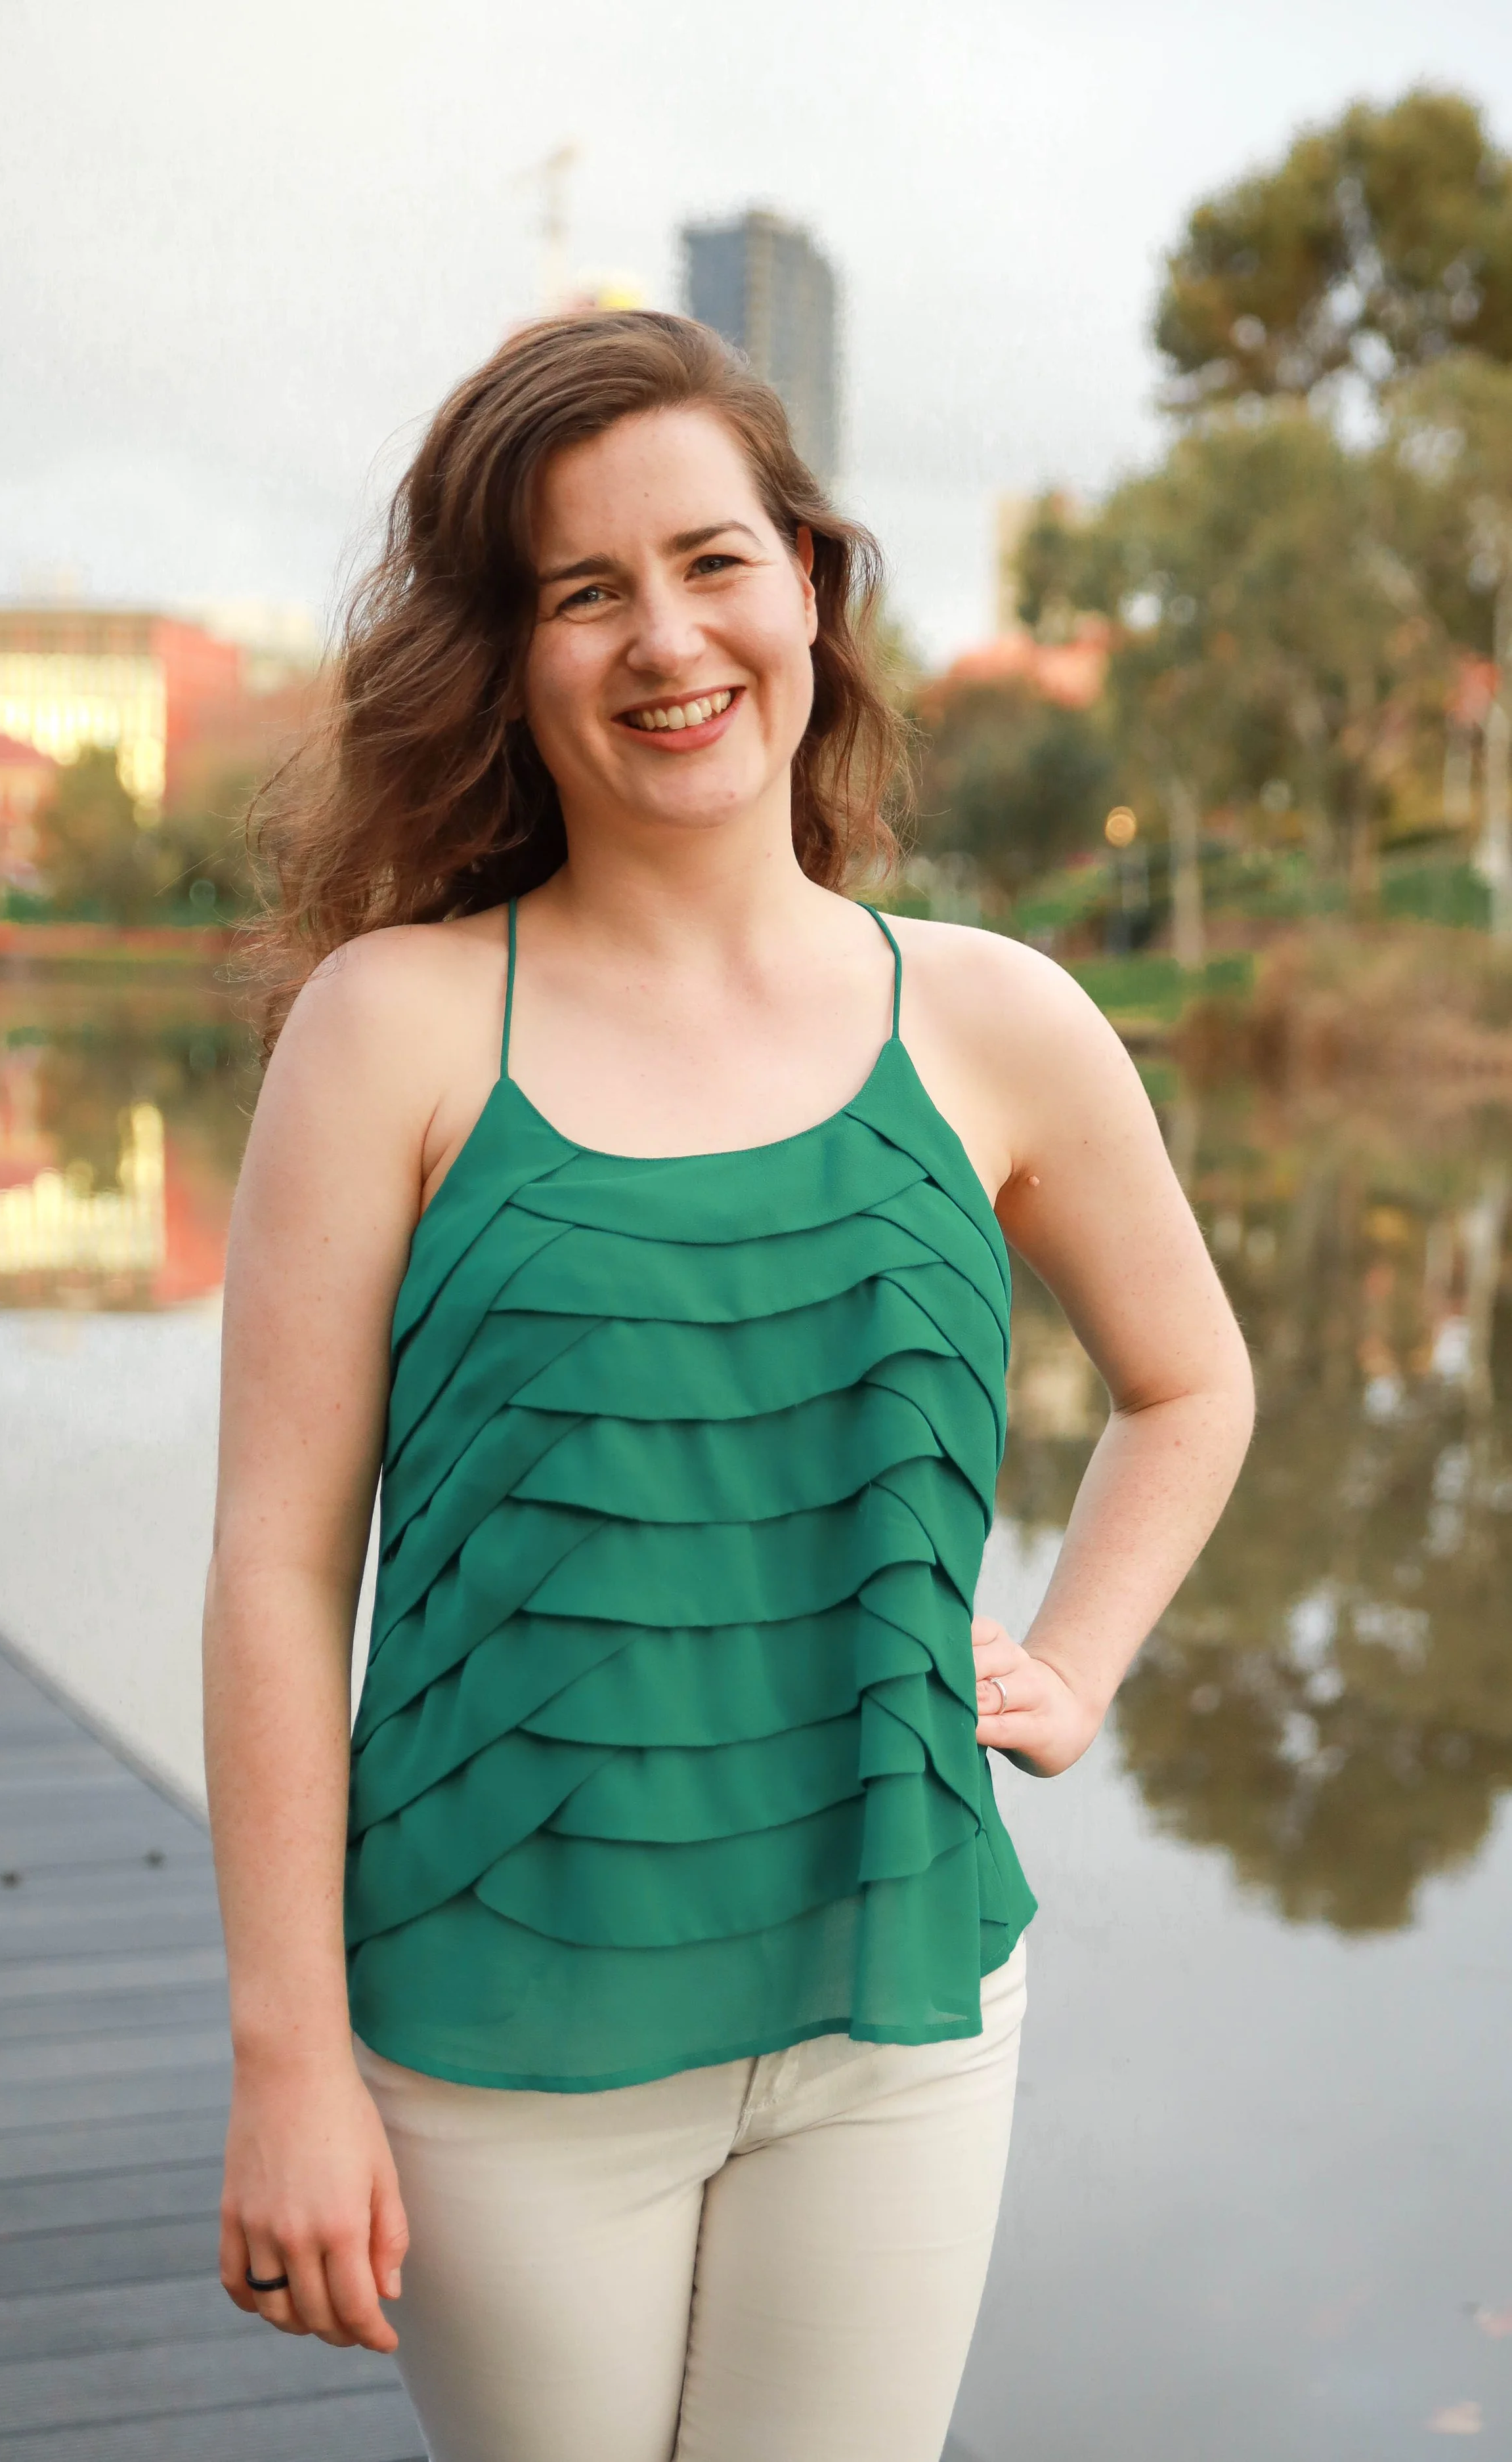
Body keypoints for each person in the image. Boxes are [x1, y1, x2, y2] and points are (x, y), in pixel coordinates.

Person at [203, 310, 1254, 2462]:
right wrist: (286, 2056)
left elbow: (1190, 1384)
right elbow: (277, 1572)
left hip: (900, 2009)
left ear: (809, 583)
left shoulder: (996, 1018)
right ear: (504, 658)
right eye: (580, 590)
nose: (664, 639)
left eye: (709, 560)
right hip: (499, 2027)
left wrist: (1073, 1663)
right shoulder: (391, 1029)